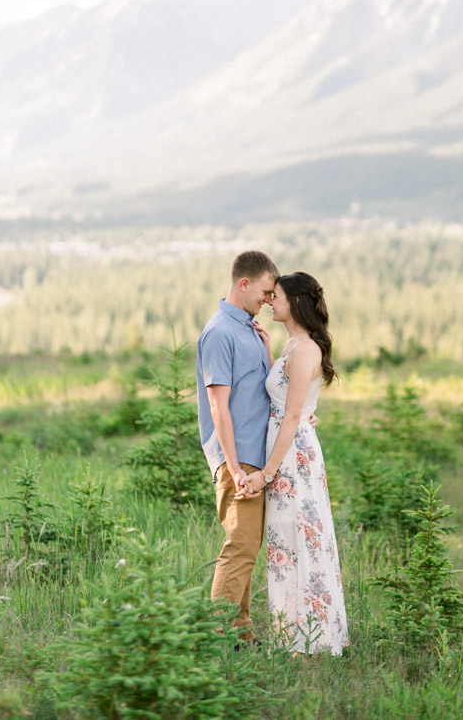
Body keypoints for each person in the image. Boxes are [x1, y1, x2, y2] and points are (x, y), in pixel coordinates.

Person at [240, 272, 349, 655]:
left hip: (291, 457)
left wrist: (267, 473)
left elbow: (291, 416)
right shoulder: (293, 344)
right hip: (287, 446)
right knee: (284, 544)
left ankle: (309, 642)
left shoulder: (304, 350)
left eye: (278, 296)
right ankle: (293, 637)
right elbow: (288, 400)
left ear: (297, 302)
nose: (271, 300)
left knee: (299, 539)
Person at [196, 249, 279, 644]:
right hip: (238, 458)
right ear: (243, 283)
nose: (268, 299)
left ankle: (240, 635)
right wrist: (233, 467)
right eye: (264, 291)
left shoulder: (249, 329)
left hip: (254, 457)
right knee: (240, 546)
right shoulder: (219, 333)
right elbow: (218, 406)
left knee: (246, 547)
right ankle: (217, 639)